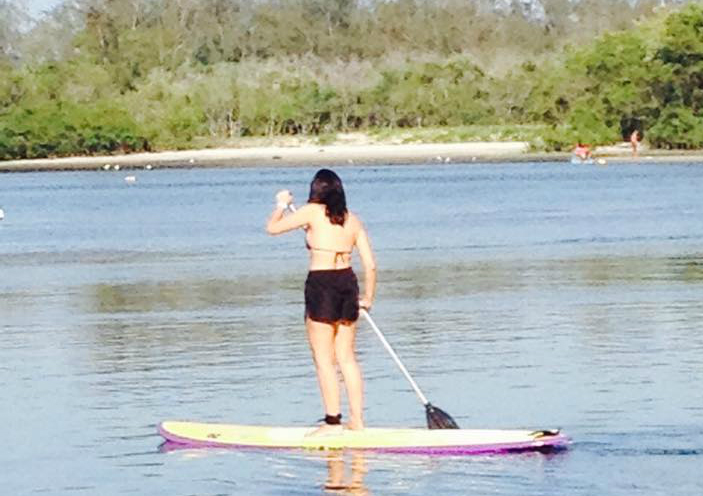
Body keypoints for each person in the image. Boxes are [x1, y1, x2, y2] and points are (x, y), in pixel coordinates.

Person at [266, 169, 376, 436]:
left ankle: (332, 423)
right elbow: (370, 265)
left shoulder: (312, 210)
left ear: (316, 191)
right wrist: (368, 299)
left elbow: (272, 228)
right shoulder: (352, 219)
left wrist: (281, 204)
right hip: (348, 282)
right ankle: (357, 421)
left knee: (324, 359)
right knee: (347, 358)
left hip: (322, 283)